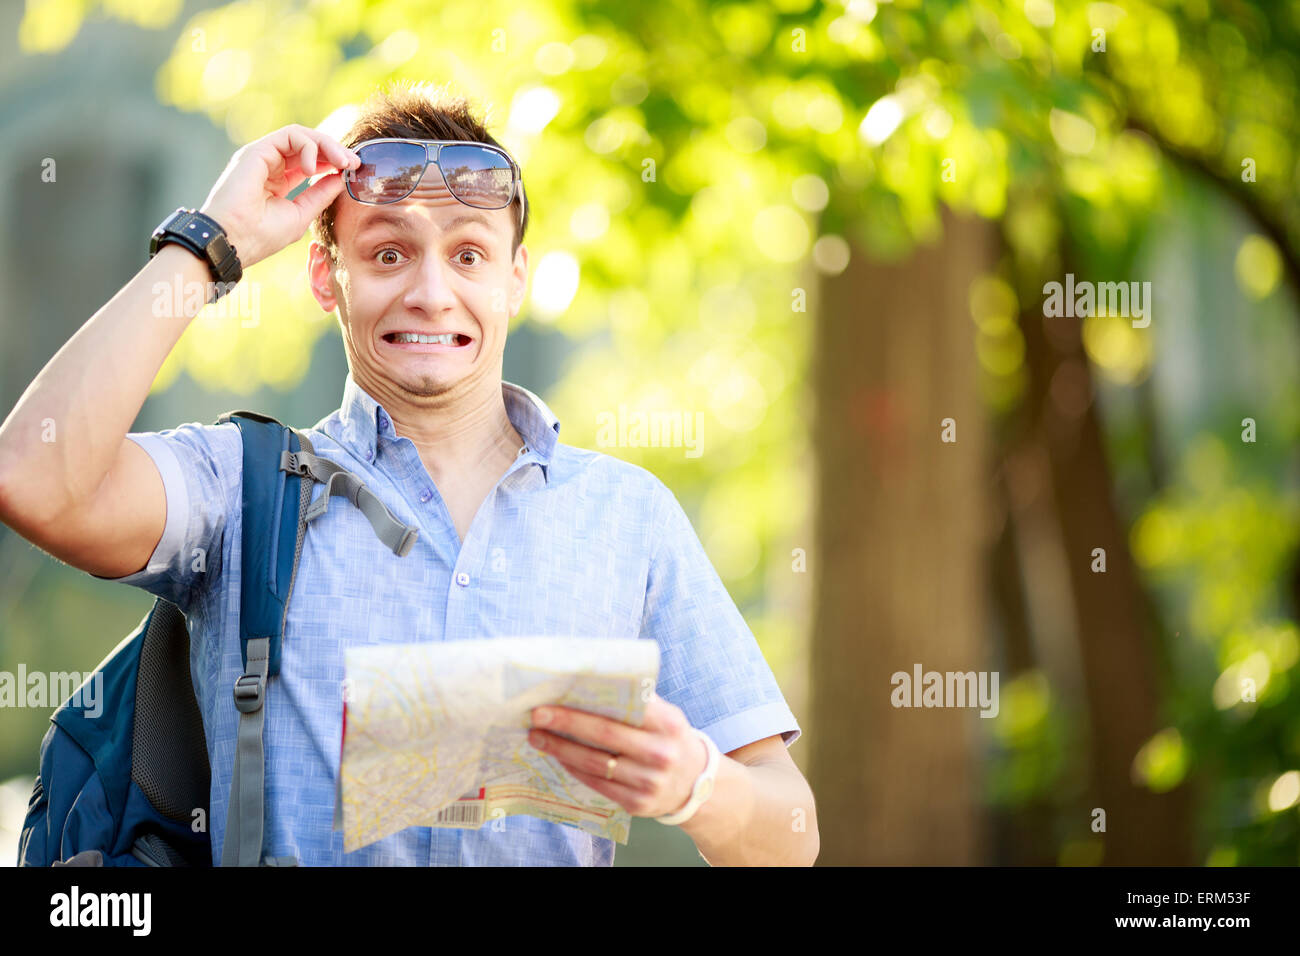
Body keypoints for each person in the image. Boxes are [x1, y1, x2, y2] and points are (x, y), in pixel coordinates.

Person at [0, 80, 818, 866]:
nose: (432, 292)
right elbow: (32, 479)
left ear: (514, 281)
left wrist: (696, 785)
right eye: (389, 252)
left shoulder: (628, 517)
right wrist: (210, 242)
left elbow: (792, 836)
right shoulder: (235, 490)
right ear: (328, 278)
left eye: (468, 255)